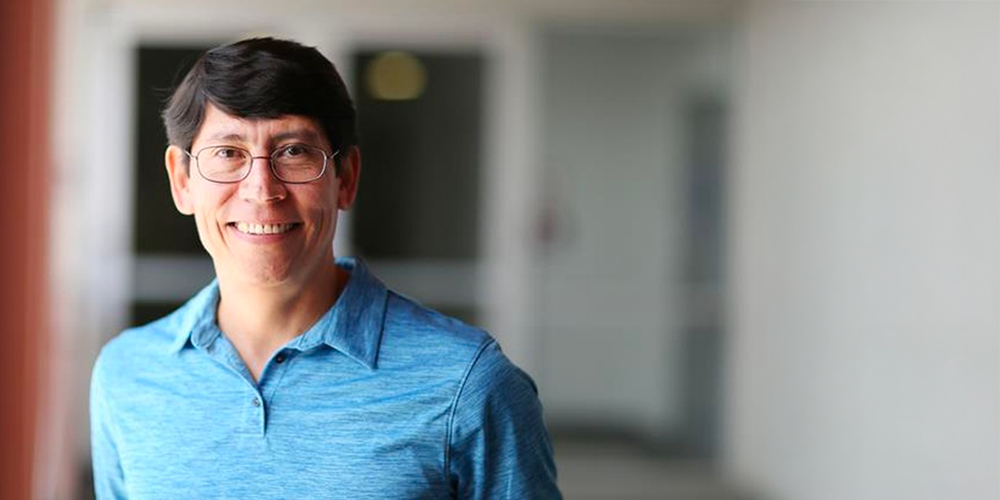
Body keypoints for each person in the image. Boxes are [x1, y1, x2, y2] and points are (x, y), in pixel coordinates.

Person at [90, 37, 561, 499]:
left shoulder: (467, 382)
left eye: (294, 151)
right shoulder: (127, 374)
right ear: (182, 180)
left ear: (346, 178)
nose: (262, 190)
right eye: (229, 153)